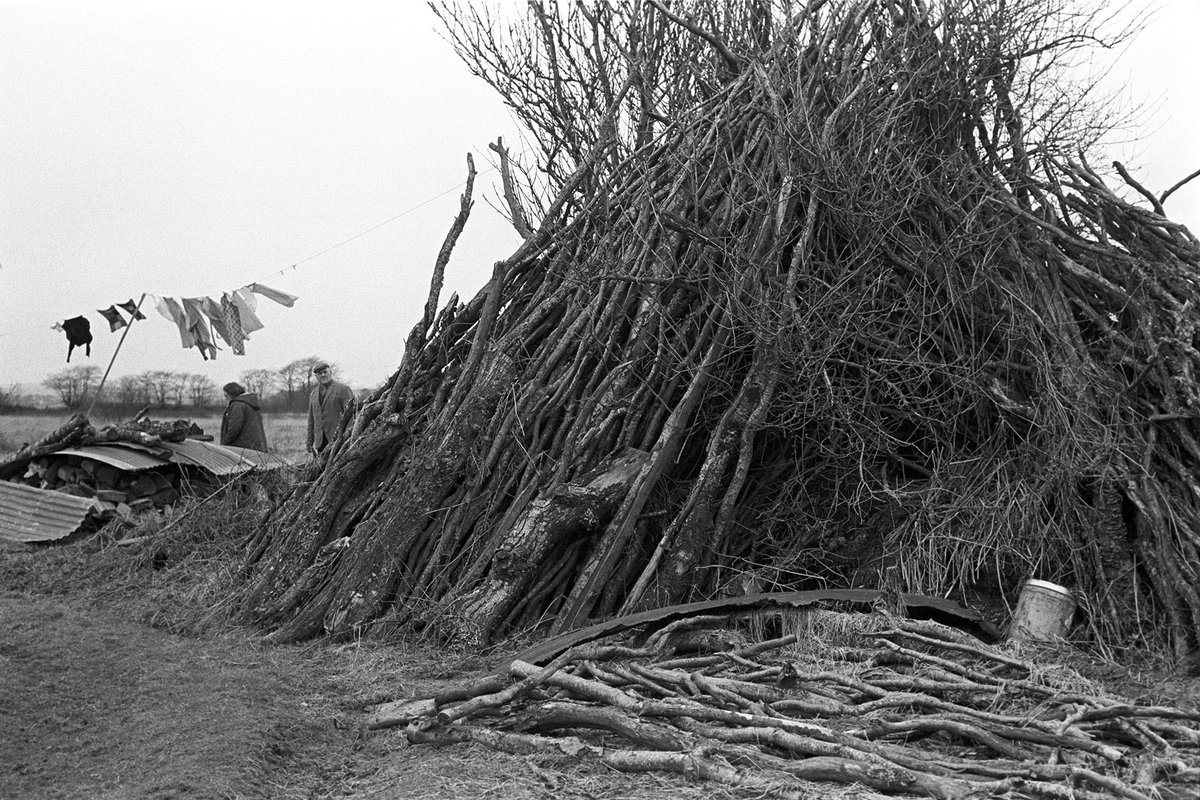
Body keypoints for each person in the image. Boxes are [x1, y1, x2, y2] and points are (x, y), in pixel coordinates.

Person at [307, 361, 355, 456]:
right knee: (321, 469)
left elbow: (352, 415)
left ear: (330, 372)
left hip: (339, 441)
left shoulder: (343, 389)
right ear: (316, 376)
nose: (323, 375)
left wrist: (347, 438)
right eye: (319, 373)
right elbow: (311, 420)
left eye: (325, 372)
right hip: (320, 442)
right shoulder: (313, 394)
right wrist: (309, 441)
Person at [220, 381, 268, 451]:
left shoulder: (237, 404)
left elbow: (234, 427)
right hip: (255, 447)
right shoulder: (250, 403)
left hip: (242, 449)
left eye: (226, 395)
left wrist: (224, 443)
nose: (226, 398)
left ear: (232, 393)